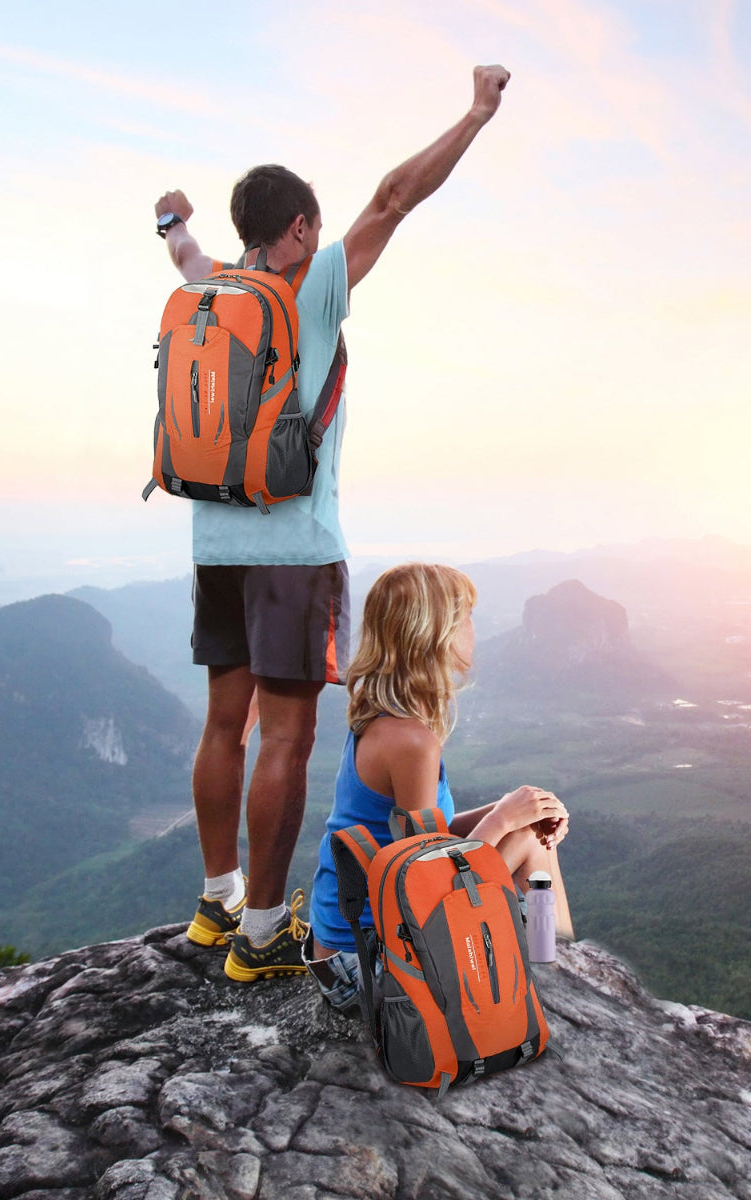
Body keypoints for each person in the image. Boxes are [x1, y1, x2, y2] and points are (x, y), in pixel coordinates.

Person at [155, 65, 513, 983]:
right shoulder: (310, 286)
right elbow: (397, 197)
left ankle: (216, 899)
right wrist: (475, 111)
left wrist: (173, 222)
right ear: (303, 227)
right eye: (315, 226)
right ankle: (265, 932)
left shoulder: (213, 284)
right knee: (285, 737)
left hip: (213, 543)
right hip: (293, 552)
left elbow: (180, 253)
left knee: (221, 725)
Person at [305, 563, 574, 1015]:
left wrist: (516, 808)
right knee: (529, 843)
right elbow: (425, 886)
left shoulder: (383, 717)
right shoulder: (414, 743)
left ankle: (554, 959)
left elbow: (426, 837)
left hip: (344, 952)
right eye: (465, 617)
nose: (473, 628)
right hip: (367, 969)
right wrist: (505, 819)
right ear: (435, 636)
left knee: (527, 831)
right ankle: (560, 963)